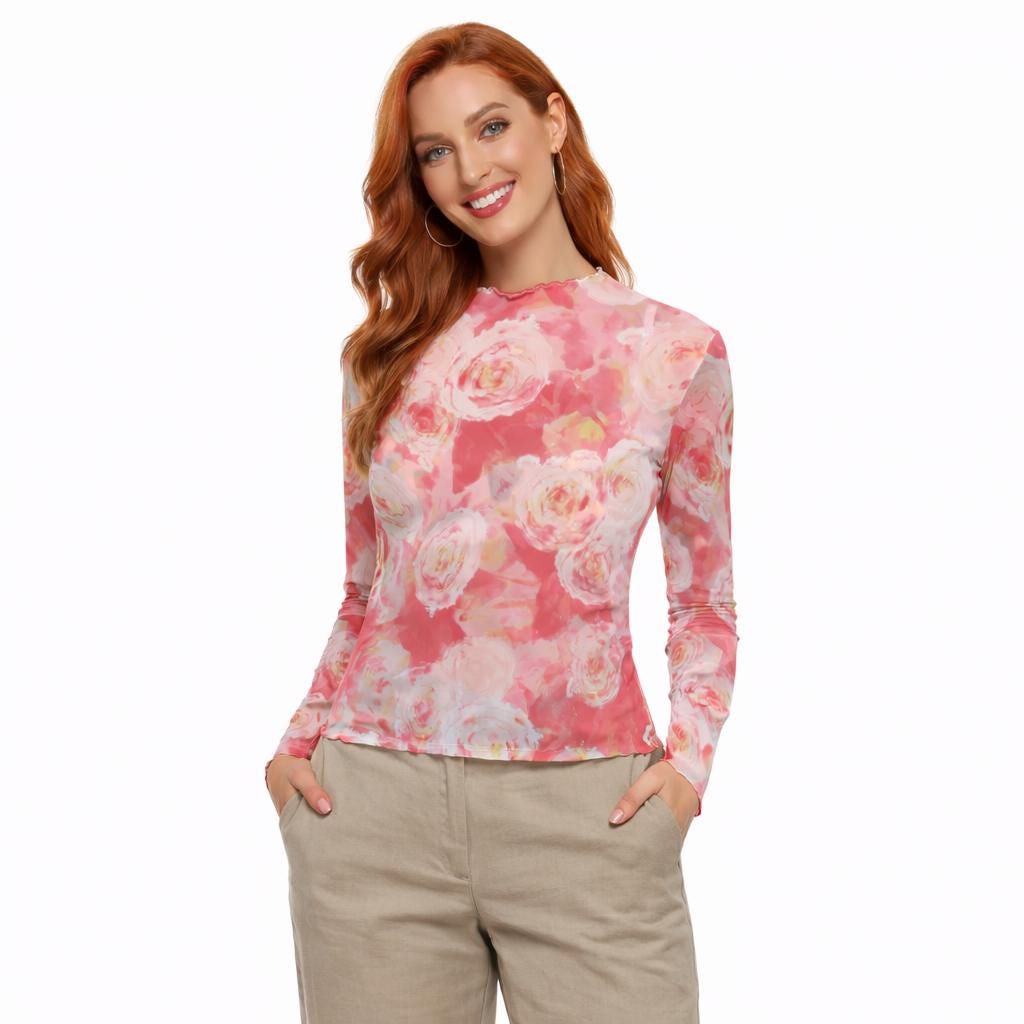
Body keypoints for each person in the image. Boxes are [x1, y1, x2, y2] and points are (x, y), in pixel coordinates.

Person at [264, 21, 738, 1024]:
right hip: (371, 811)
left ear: (552, 121)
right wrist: (297, 748)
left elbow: (703, 602)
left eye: (491, 128)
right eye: (436, 151)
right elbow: (364, 591)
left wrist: (689, 771)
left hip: (588, 816)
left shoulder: (673, 354)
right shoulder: (383, 358)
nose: (471, 171)